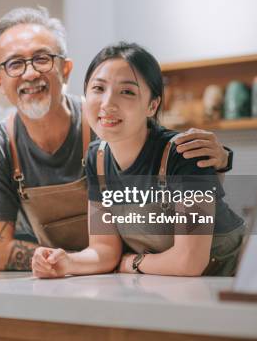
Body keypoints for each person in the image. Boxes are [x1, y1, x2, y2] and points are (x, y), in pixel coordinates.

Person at [0, 7, 234, 271]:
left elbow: (190, 253)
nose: (30, 74)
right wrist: (66, 263)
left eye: (42, 59)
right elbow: (103, 250)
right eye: (15, 63)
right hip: (125, 279)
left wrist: (221, 160)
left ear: (66, 70)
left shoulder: (125, 131)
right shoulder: (4, 149)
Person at [31, 42, 245, 278]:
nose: (107, 103)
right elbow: (104, 249)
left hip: (235, 282)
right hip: (170, 289)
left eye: (127, 92)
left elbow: (189, 261)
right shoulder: (98, 158)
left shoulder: (183, 153)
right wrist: (66, 262)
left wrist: (132, 262)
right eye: (98, 88)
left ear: (152, 105)